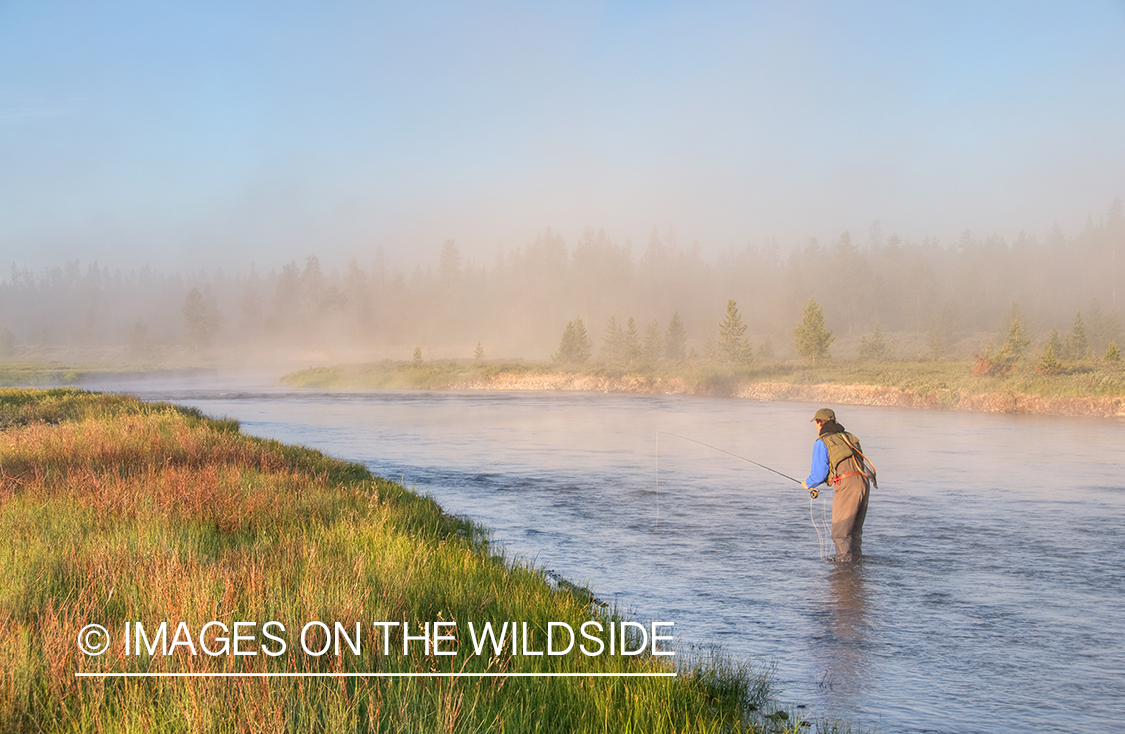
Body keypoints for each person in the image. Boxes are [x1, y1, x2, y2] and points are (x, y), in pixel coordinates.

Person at [802, 408, 873, 563]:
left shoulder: (823, 441)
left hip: (848, 485)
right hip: (863, 482)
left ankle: (844, 568)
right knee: (854, 531)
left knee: (840, 532)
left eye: (816, 423)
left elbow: (819, 474)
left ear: (819, 423)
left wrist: (808, 484)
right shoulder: (847, 437)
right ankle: (856, 567)